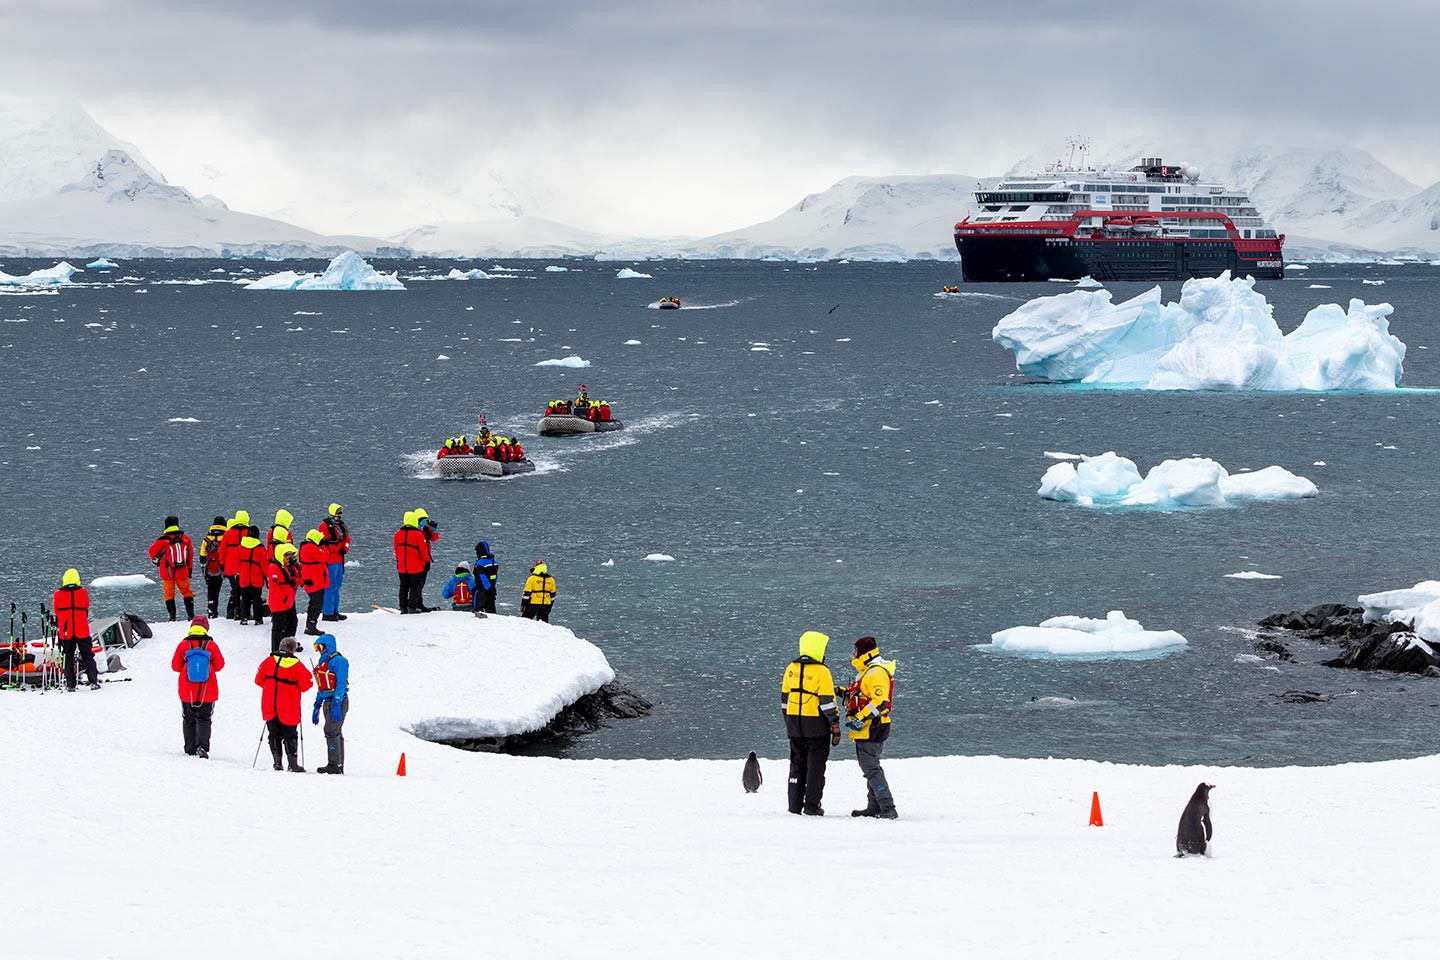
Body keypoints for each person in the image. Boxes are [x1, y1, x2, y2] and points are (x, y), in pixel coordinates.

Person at [781, 630, 841, 816]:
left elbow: (784, 701)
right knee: (816, 766)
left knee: (797, 764)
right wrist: (835, 726)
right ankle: (812, 806)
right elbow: (828, 702)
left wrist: (789, 722)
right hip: (816, 726)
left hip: (794, 725)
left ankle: (794, 805)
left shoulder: (791, 668)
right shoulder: (822, 671)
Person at [842, 636, 898, 819]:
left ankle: (887, 806)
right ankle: (874, 805)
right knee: (869, 766)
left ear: (864, 652)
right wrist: (843, 693)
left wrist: (859, 719)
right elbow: (862, 695)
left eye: (855, 650)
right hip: (868, 727)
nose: (853, 653)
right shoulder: (867, 672)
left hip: (872, 727)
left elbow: (880, 702)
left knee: (871, 768)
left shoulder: (875, 673)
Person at [255, 637, 313, 772]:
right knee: (290, 734)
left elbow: (258, 681)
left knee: (273, 733)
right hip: (289, 706)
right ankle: (292, 764)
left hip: (269, 703)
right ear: (293, 650)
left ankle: (277, 762)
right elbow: (305, 686)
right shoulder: (297, 665)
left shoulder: (268, 661)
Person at [170, 617, 225, 759]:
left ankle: (189, 748)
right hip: (208, 689)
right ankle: (202, 747)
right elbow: (220, 665)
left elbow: (175, 666)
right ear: (206, 628)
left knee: (188, 719)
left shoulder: (183, 645)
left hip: (186, 690)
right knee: (205, 719)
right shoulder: (211, 645)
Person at [53, 568, 99, 691]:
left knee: (67, 656)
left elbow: (56, 611)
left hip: (66, 631)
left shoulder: (58, 594)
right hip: (82, 629)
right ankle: (93, 681)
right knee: (88, 656)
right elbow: (86, 606)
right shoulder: (83, 592)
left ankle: (70, 684)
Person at [311, 633, 349, 775]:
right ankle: (337, 764)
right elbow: (322, 685)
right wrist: (317, 704)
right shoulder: (322, 663)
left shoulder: (339, 661)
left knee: (331, 731)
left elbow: (340, 683)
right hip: (327, 701)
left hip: (336, 701)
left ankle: (334, 765)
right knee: (335, 732)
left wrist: (337, 702)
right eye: (316, 647)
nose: (318, 650)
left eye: (320, 646)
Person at [147, 516, 195, 621]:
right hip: (182, 569)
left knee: (169, 593)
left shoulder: (162, 540)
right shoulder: (185, 538)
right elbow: (190, 554)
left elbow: (151, 552)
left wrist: (160, 560)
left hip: (167, 571)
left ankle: (172, 617)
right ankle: (191, 616)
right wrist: (190, 568)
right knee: (186, 592)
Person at [267, 543, 301, 654]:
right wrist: (284, 597)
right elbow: (273, 586)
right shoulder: (274, 567)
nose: (289, 557)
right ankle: (276, 650)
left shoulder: (283, 567)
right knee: (278, 627)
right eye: (287, 555)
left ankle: (287, 646)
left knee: (291, 623)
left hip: (285, 602)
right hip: (279, 602)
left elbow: (290, 581)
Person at [393, 511, 429, 614]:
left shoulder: (397, 534)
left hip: (402, 567)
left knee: (403, 587)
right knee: (415, 587)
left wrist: (399, 561)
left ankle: (403, 607)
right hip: (415, 566)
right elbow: (423, 551)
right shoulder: (418, 535)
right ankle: (412, 607)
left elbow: (396, 549)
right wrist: (426, 561)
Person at [319, 503, 350, 623]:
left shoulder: (342, 525)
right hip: (330, 561)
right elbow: (324, 544)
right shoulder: (324, 526)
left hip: (339, 560)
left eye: (340, 513)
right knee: (330, 587)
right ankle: (327, 612)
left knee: (337, 587)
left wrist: (345, 549)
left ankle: (335, 611)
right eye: (338, 512)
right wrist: (338, 548)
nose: (339, 515)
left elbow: (347, 539)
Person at [298, 529, 330, 636]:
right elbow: (324, 557)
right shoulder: (311, 547)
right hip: (316, 581)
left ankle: (309, 624)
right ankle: (311, 625)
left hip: (311, 580)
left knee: (312, 603)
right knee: (317, 604)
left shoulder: (304, 546)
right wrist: (324, 546)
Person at [220, 510, 250, 619]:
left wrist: (222, 564)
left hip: (230, 566)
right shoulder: (249, 532)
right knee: (245, 590)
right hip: (245, 566)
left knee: (235, 590)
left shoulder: (228, 533)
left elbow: (222, 550)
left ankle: (236, 612)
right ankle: (244, 613)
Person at [198, 516, 228, 618]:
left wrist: (204, 571)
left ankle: (211, 610)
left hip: (210, 568)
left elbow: (202, 556)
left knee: (211, 590)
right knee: (218, 589)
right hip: (222, 568)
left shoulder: (206, 539)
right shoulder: (225, 538)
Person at [238, 525, 267, 626]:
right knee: (256, 598)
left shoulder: (241, 546)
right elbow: (264, 564)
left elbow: (237, 561)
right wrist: (267, 575)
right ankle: (258, 619)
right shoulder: (261, 548)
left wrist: (238, 573)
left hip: (244, 576)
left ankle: (244, 618)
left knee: (245, 598)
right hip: (256, 576)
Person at [415, 508, 439, 611]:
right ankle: (415, 604)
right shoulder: (416, 530)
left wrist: (433, 529)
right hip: (419, 560)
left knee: (420, 583)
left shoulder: (425, 529)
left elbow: (434, 538)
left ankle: (417, 603)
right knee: (417, 584)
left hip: (425, 560)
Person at [473, 541, 498, 614]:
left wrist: (487, 587)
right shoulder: (494, 561)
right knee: (491, 610)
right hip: (492, 589)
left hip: (482, 589)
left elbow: (481, 576)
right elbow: (495, 576)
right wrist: (492, 587)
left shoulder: (480, 562)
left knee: (478, 609)